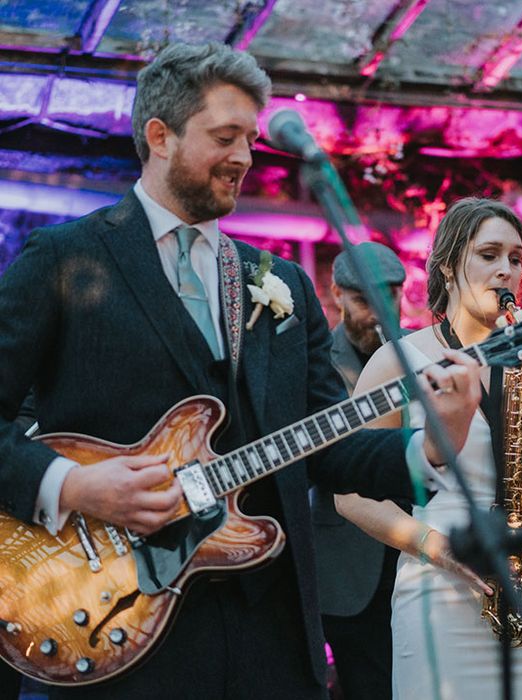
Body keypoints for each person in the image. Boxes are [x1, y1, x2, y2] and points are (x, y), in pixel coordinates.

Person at [0, 42, 482, 700]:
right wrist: (73, 487)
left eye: (251, 139)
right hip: (120, 624)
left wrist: (431, 442)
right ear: (160, 137)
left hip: (272, 635)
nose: (245, 158)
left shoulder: (279, 281)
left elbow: (327, 443)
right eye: (225, 137)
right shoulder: (63, 258)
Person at [335, 197, 522, 699]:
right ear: (448, 264)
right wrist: (435, 549)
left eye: (514, 258)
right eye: (489, 254)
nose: (505, 270)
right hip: (439, 587)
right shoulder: (399, 359)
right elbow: (347, 494)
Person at [311, 242, 407, 699]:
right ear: (337, 295)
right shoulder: (317, 365)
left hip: (423, 551)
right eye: (365, 301)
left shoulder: (426, 354)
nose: (379, 313)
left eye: (391, 298)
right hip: (351, 567)